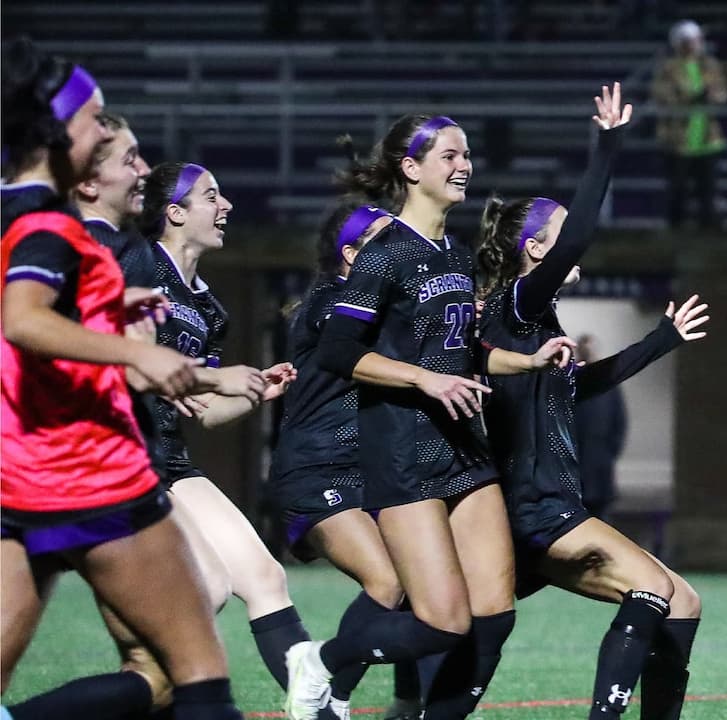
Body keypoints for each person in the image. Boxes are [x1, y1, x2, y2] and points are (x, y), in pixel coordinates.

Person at [286, 110, 576, 720]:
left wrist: (526, 362)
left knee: (493, 611)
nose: (464, 164)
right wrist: (424, 379)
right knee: (443, 623)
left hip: (463, 451)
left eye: (466, 154)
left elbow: (465, 350)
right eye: (449, 155)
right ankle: (323, 660)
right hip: (402, 453)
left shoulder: (455, 253)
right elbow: (340, 352)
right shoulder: (383, 251)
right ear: (411, 169)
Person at [0, 39, 242, 719]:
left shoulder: (14, 210)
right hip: (92, 472)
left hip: (19, 476)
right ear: (53, 131)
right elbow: (23, 319)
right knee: (196, 674)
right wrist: (137, 354)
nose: (107, 132)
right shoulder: (48, 223)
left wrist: (102, 307)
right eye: (96, 119)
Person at [476, 84, 707, 720]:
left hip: (553, 505)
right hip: (537, 507)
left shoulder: (540, 322)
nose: (571, 241)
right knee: (656, 588)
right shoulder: (516, 305)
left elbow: (586, 386)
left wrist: (662, 340)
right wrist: (606, 146)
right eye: (555, 233)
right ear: (535, 248)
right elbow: (577, 239)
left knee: (683, 601)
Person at [137, 161, 309, 697]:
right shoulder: (139, 266)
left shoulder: (209, 308)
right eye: (211, 196)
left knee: (264, 578)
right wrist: (211, 379)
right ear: (174, 212)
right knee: (205, 590)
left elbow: (206, 412)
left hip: (171, 457)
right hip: (128, 453)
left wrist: (253, 391)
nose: (226, 206)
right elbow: (129, 358)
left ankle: (318, 712)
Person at [268, 200, 422, 720]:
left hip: (367, 469)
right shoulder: (333, 302)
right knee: (389, 581)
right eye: (385, 243)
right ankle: (325, 686)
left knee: (425, 587)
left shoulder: (369, 301)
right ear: (351, 255)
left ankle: (407, 702)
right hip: (319, 468)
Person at [650, 19, 727, 230]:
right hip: (678, 140)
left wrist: (712, 95)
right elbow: (662, 95)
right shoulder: (668, 68)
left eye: (696, 40)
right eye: (688, 40)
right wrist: (692, 96)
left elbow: (722, 93)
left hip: (708, 138)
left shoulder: (710, 65)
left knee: (708, 192)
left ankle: (709, 236)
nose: (694, 44)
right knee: (678, 192)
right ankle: (676, 235)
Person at [573, 335, 628, 520]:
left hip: (600, 466)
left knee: (602, 517)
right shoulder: (570, 384)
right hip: (576, 467)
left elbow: (619, 423)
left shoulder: (608, 386)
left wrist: (609, 452)